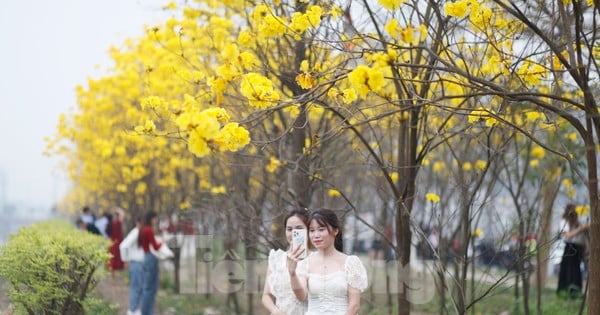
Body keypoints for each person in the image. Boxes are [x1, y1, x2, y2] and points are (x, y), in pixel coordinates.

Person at [288, 209, 368, 315]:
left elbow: (354, 306)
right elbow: (301, 297)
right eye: (312, 230)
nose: (316, 235)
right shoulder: (305, 263)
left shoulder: (351, 263)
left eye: (321, 229)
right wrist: (292, 273)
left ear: (335, 231)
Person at [262, 209, 310, 315]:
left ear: (308, 230)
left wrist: (292, 271)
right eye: (289, 229)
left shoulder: (315, 259)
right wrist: (274, 310)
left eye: (299, 229)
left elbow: (302, 297)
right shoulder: (276, 258)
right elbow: (266, 295)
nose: (293, 233)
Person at [557, 203, 589, 299]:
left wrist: (582, 226)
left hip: (579, 248)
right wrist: (581, 228)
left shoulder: (580, 221)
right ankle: (563, 292)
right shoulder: (564, 222)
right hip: (569, 247)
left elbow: (589, 227)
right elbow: (568, 235)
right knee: (566, 270)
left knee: (576, 271)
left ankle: (575, 293)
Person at [138, 211, 163, 315]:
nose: (156, 220)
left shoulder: (143, 229)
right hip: (151, 258)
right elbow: (156, 247)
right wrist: (163, 241)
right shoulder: (148, 230)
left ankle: (148, 312)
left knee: (149, 288)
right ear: (152, 218)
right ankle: (146, 312)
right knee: (149, 289)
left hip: (146, 258)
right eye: (155, 218)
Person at [120, 214, 145, 315]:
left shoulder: (140, 232)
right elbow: (123, 245)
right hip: (136, 264)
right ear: (137, 223)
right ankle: (132, 310)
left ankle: (136, 310)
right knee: (136, 288)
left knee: (139, 288)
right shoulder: (136, 232)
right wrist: (125, 260)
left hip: (140, 264)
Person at [108, 207, 125, 275]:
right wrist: (118, 209)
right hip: (115, 243)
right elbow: (123, 214)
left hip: (114, 243)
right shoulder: (116, 223)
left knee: (114, 259)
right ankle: (114, 276)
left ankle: (114, 276)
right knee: (114, 259)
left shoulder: (113, 223)